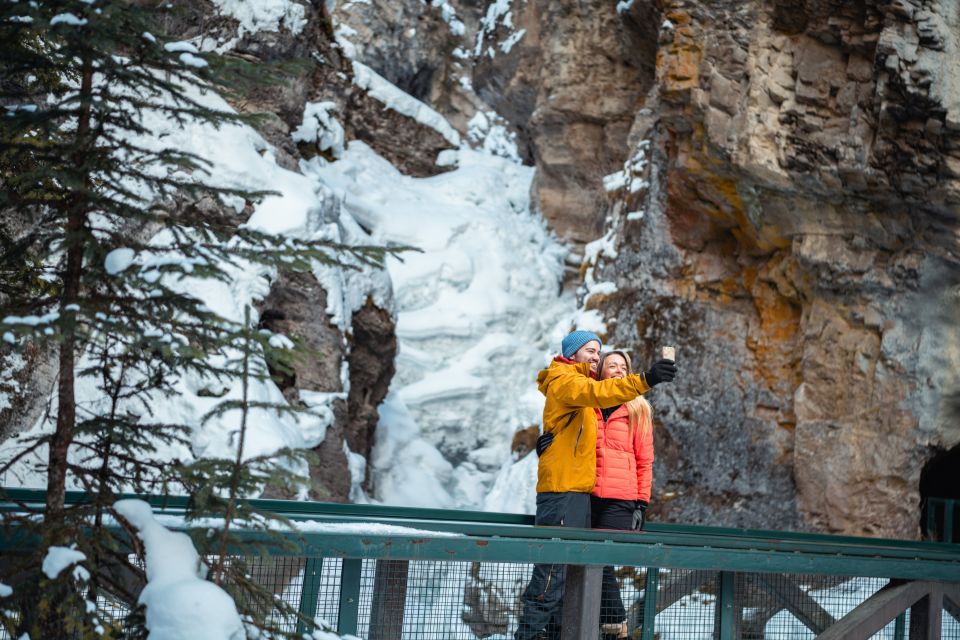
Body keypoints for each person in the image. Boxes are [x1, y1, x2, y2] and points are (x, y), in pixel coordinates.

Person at [514, 331, 676, 640]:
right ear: (572, 353)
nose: (594, 356)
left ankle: (563, 633)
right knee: (554, 571)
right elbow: (594, 395)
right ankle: (530, 634)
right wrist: (646, 379)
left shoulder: (609, 402)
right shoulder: (567, 380)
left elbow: (630, 452)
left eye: (596, 352)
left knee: (575, 569)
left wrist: (640, 500)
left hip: (587, 495)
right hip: (566, 493)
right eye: (590, 351)